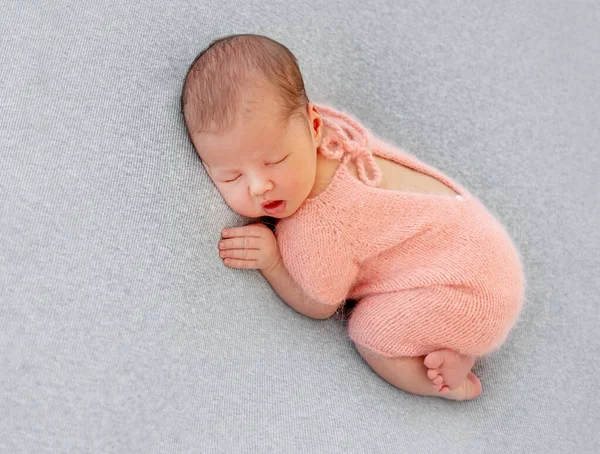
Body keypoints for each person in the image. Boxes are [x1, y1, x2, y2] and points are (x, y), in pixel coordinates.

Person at [180, 34, 525, 400]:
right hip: (484, 250)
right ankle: (451, 342)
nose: (259, 186)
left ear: (313, 126)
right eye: (231, 176)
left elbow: (318, 304)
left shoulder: (322, 224)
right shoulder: (331, 131)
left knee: (370, 332)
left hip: (473, 297)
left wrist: (272, 261)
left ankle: (452, 382)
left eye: (274, 161)